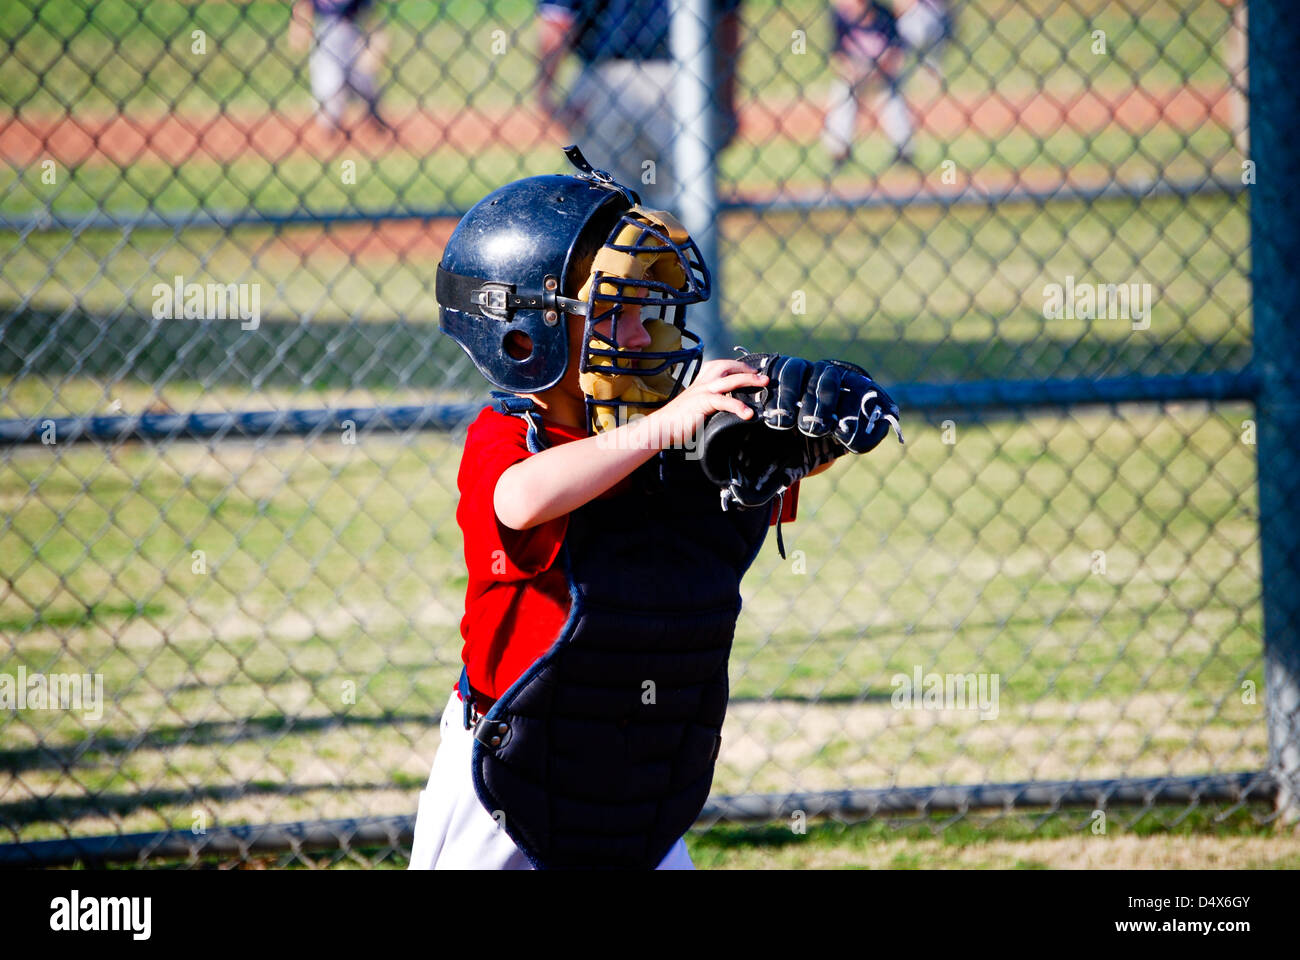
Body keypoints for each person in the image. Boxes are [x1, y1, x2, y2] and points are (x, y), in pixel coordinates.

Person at [408, 147, 901, 869]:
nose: (643, 337)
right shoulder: (515, 436)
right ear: (526, 332)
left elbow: (746, 483)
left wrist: (810, 442)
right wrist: (659, 430)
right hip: (508, 771)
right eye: (616, 317)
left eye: (649, 315)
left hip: (635, 774)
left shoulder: (660, 421)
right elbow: (520, 501)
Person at [536, 0, 742, 210]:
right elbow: (725, 19)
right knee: (682, 213)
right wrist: (723, 101)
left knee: (602, 210)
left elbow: (559, 20)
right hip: (682, 84)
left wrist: (545, 92)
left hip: (603, 85)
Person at [823, 0, 915, 170]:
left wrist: (880, 70)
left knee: (893, 101)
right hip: (853, 76)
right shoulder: (842, 16)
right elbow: (837, 55)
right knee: (842, 98)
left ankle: (905, 150)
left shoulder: (884, 15)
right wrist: (854, 72)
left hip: (882, 75)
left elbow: (896, 52)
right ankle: (838, 152)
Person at [290, 0, 390, 136]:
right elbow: (303, 8)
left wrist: (374, 46)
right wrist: (298, 27)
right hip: (325, 39)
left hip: (353, 36)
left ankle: (373, 118)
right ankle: (330, 126)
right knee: (329, 87)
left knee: (364, 82)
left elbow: (371, 18)